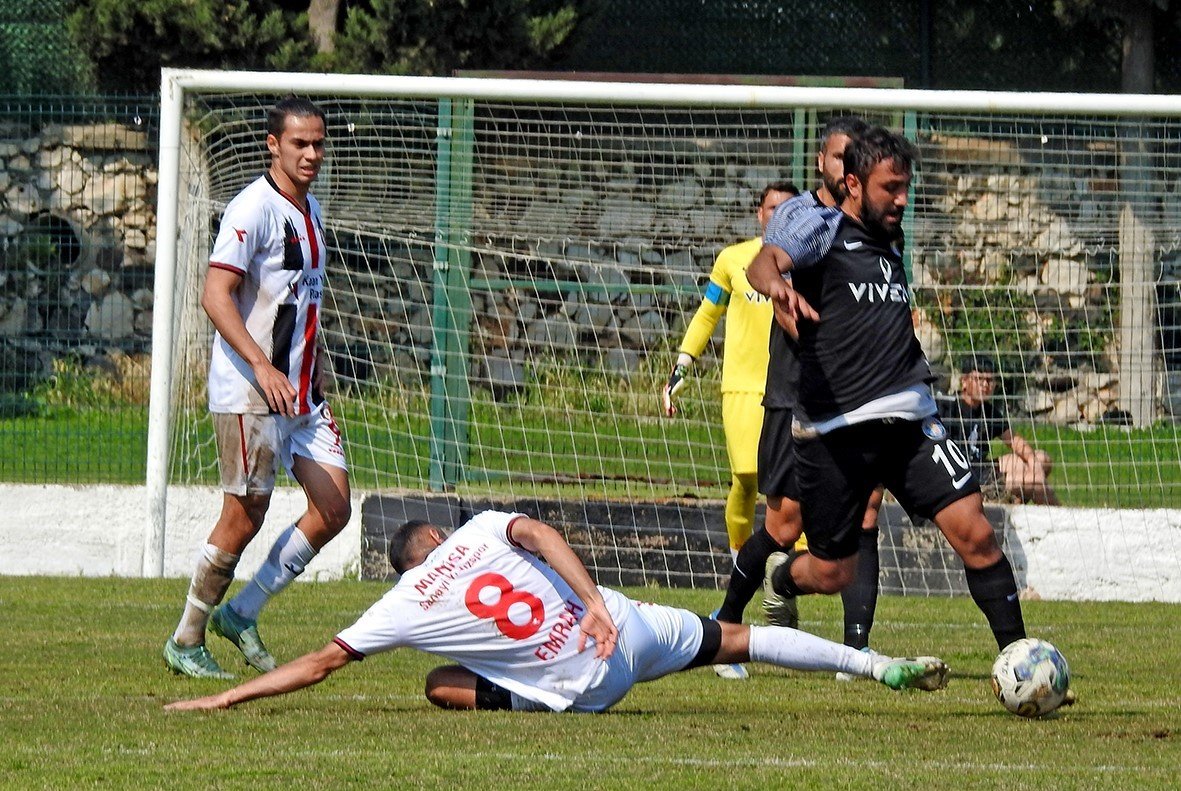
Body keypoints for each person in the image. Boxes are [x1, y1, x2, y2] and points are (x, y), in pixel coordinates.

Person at [164, 511, 949, 714]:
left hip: (584, 688)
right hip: (627, 626)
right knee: (748, 637)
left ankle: (526, 684)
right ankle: (876, 664)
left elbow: (320, 663)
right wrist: (592, 605)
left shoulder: (400, 603)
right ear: (436, 538)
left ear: (406, 561)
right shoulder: (476, 529)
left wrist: (226, 695)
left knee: (440, 681)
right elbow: (541, 533)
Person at [747, 126, 1028, 654]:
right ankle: (784, 579)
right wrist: (777, 285)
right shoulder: (820, 231)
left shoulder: (891, 238)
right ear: (852, 184)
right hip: (835, 430)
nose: (902, 199)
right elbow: (764, 261)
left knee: (977, 534)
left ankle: (1021, 658)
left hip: (909, 417)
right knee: (831, 572)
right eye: (889, 188)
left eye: (906, 187)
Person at [162, 97, 352, 679]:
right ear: (274, 145)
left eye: (319, 143)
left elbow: (302, 301)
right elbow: (216, 296)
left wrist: (309, 371)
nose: (312, 153)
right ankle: (186, 639)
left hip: (300, 394)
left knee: (334, 507)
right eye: (300, 143)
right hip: (251, 392)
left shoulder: (312, 208)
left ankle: (241, 613)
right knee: (245, 514)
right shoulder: (252, 208)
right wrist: (263, 367)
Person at [711, 117, 884, 668]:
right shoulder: (799, 219)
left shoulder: (876, 226)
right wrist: (787, 302)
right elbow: (768, 268)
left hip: (859, 398)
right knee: (784, 527)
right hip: (795, 398)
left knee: (867, 512)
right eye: (838, 157)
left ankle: (856, 649)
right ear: (820, 162)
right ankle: (726, 629)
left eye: (855, 159)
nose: (846, 168)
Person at [661, 181, 797, 679]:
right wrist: (682, 364)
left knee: (793, 494)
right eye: (771, 208)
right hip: (741, 389)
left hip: (792, 391)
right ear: (759, 214)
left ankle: (778, 581)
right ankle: (748, 562)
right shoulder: (732, 259)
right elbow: (708, 312)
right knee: (748, 476)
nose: (778, 214)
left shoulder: (805, 259)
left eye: (789, 208)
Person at [939, 356, 1059, 505]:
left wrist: (1034, 464)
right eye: (979, 379)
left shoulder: (988, 411)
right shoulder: (948, 408)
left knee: (1041, 460)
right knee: (1031, 480)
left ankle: (1014, 505)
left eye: (990, 381)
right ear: (964, 381)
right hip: (967, 478)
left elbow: (1014, 441)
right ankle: (1061, 520)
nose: (985, 385)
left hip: (983, 468)